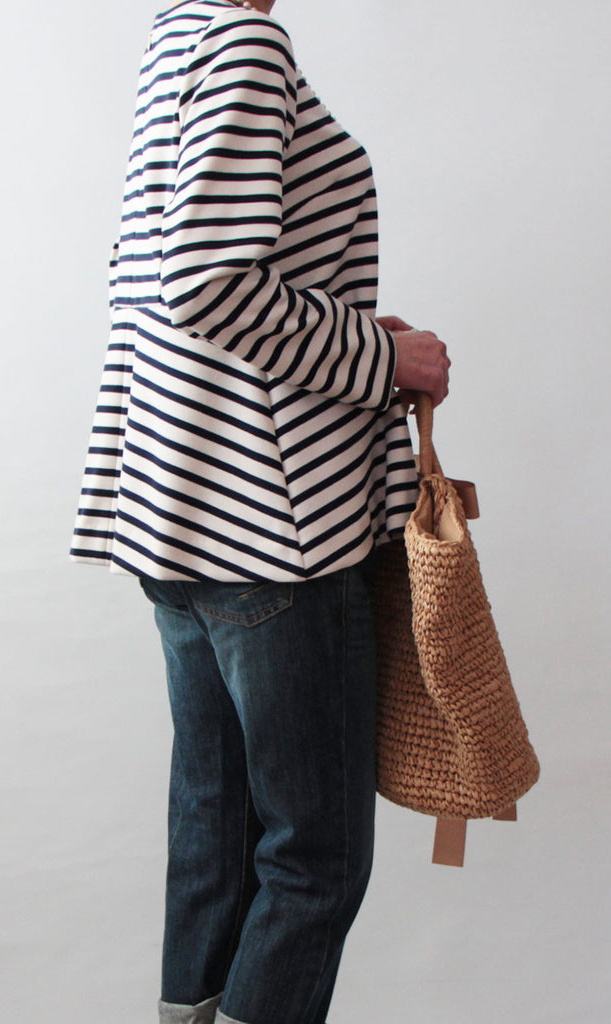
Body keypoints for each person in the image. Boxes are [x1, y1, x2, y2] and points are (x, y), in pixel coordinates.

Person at [70, 1, 450, 1022]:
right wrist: (383, 357)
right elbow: (209, 282)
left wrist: (350, 328)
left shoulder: (176, 39)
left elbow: (194, 280)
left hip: (179, 508)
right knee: (315, 856)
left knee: (216, 830)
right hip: (273, 528)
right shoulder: (243, 40)